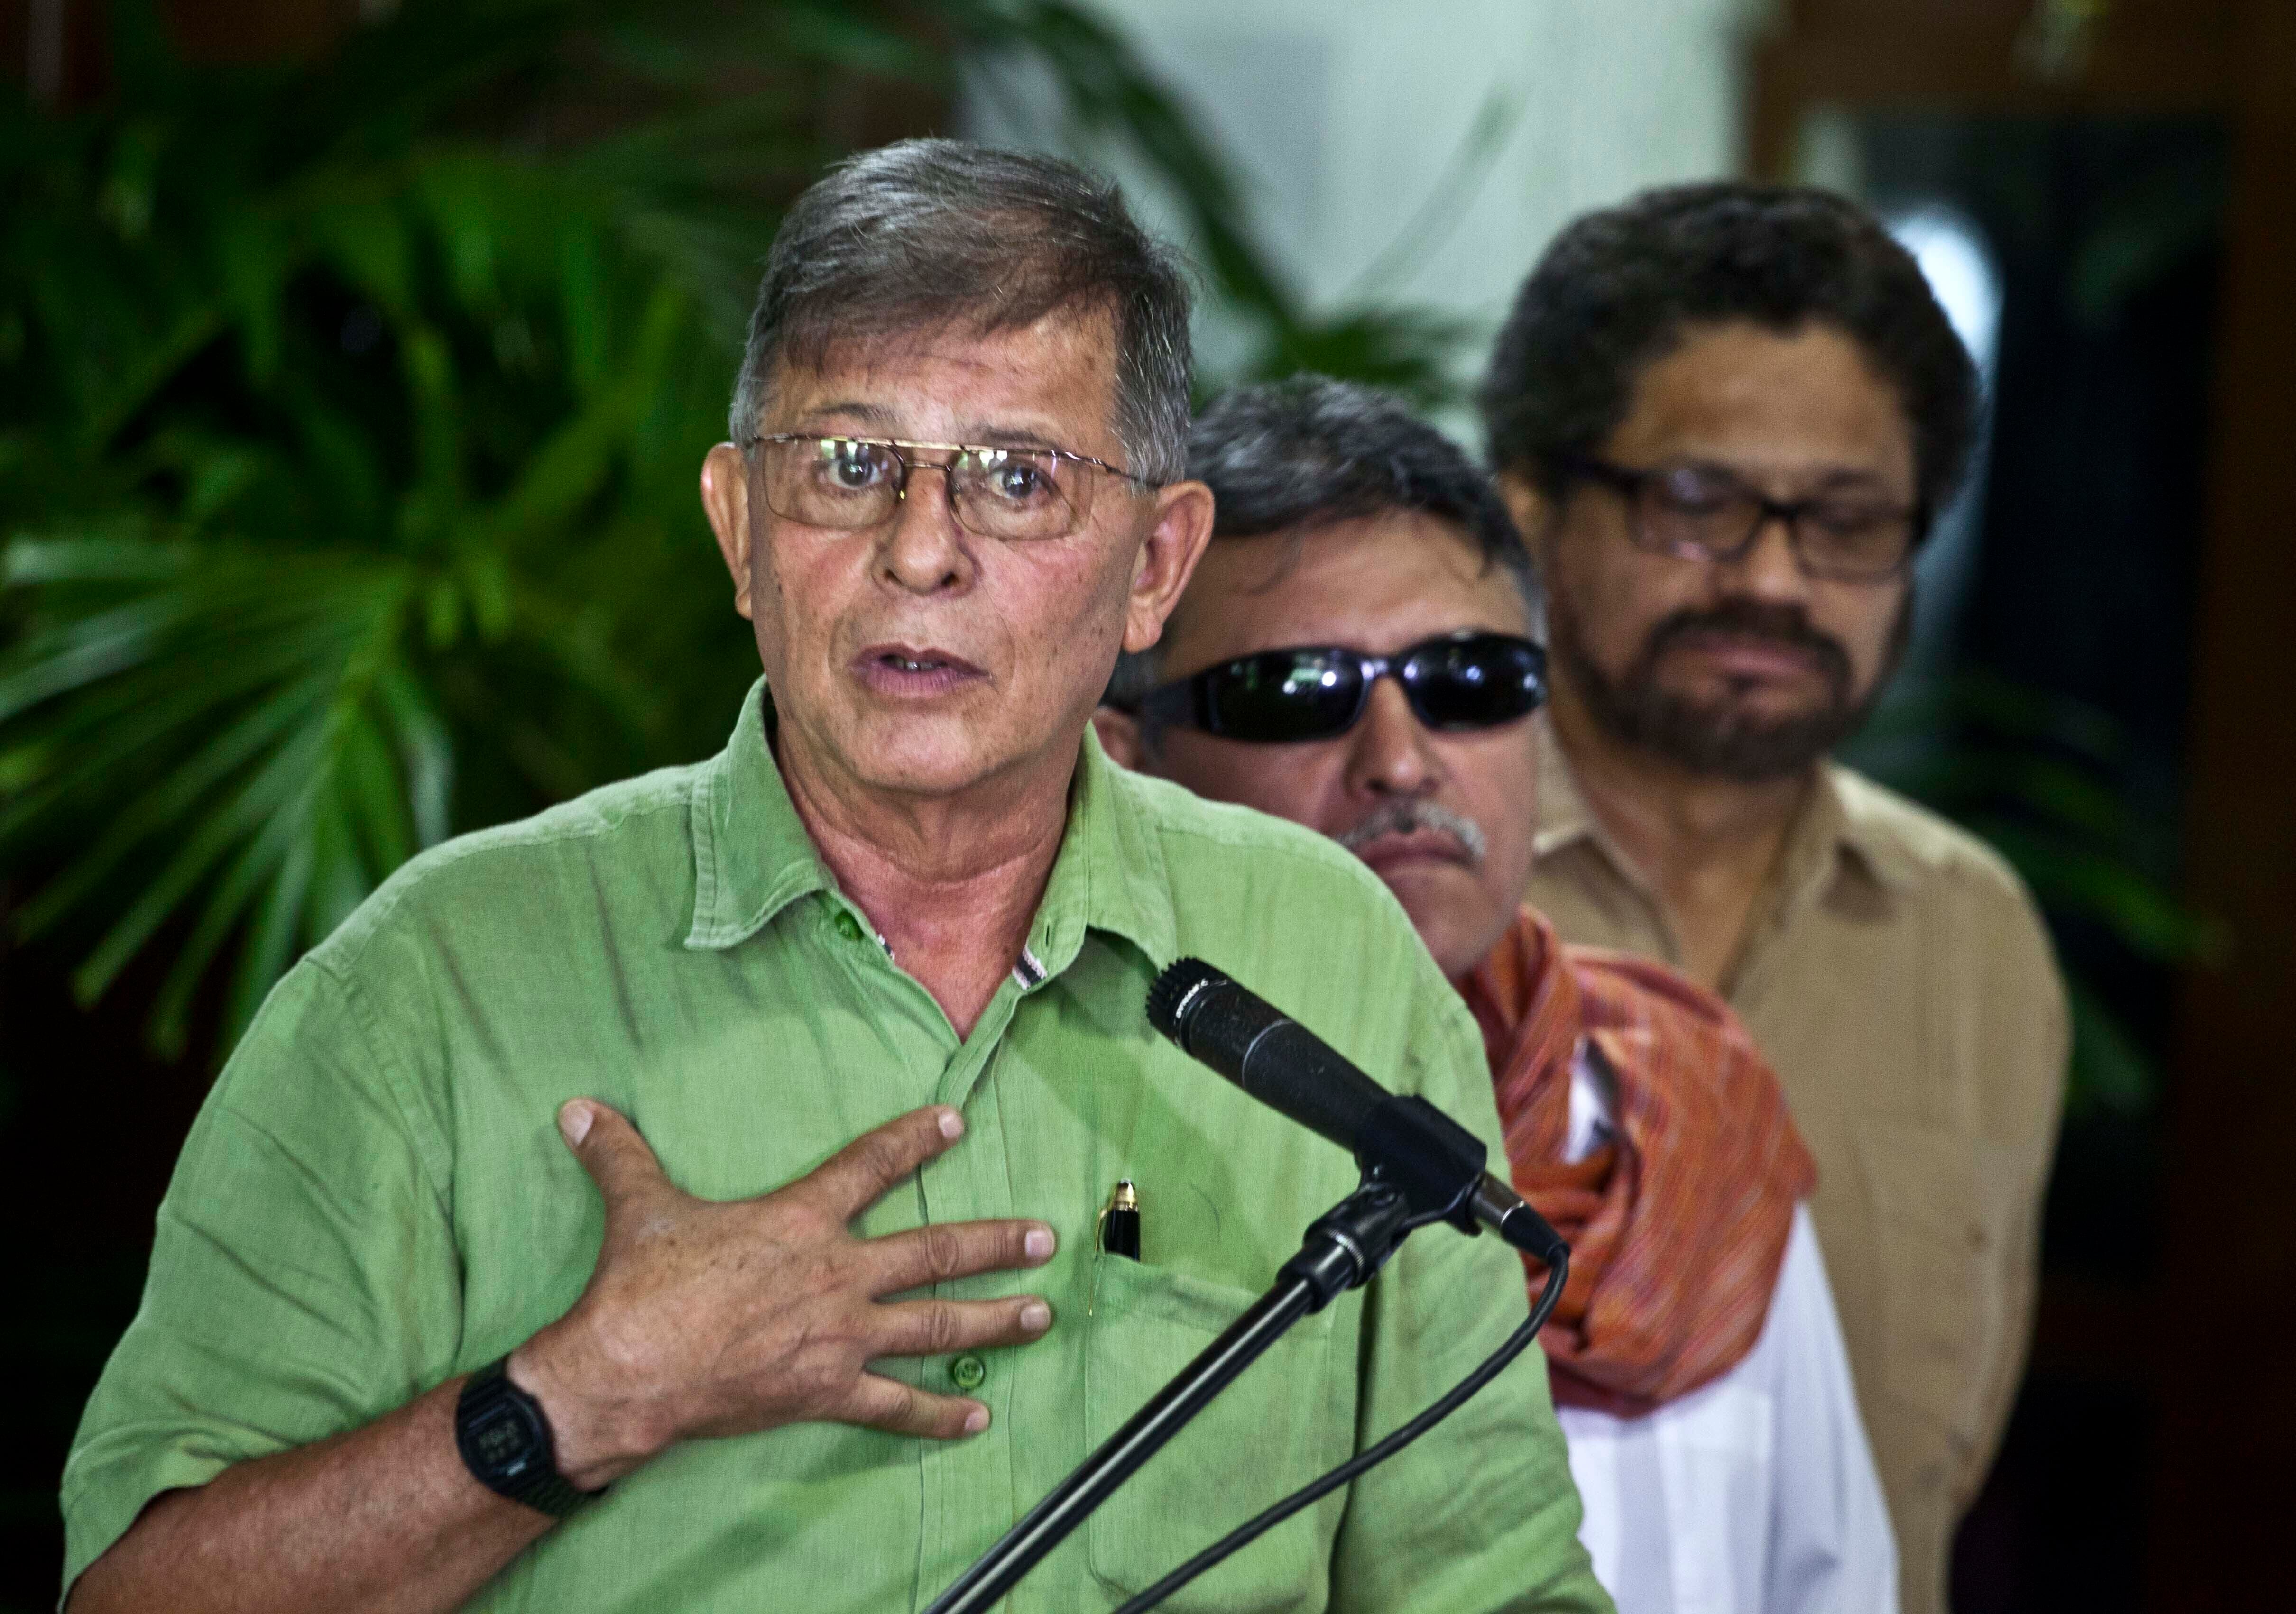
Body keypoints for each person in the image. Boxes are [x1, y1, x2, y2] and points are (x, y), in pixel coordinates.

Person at [60, 143, 1610, 1614]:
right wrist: (578, 1400)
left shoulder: (1321, 955)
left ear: (1154, 567)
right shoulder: (437, 982)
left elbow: (1484, 1581)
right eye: (852, 464)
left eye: (1018, 478)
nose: (918, 551)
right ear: (741, 527)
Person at [1098, 376, 1898, 1614]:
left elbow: (1829, 1583)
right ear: (1125, 755)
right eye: (1297, 689)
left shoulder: (1687, 1129)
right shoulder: (1071, 1137)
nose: (1401, 760)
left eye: (1468, 679)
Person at [1477, 182, 2067, 1614]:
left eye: (1848, 520)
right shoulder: (1387, 890)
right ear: (1527, 508)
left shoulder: (1967, 937)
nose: (1773, 577)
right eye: (1697, 505)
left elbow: (1941, 1462)